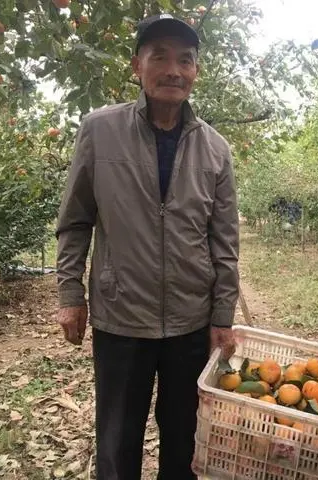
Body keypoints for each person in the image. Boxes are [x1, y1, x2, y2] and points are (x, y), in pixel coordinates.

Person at [55, 14, 239, 480]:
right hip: (122, 315)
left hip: (190, 319)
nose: (173, 69)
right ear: (137, 65)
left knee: (184, 438)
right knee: (117, 439)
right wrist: (70, 295)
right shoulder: (100, 130)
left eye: (185, 59)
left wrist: (222, 316)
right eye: (160, 57)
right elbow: (75, 219)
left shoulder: (215, 149)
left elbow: (224, 241)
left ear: (196, 71)